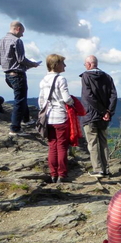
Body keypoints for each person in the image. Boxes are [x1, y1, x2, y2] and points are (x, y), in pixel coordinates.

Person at [0, 21, 41, 135]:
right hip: (18, 74)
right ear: (18, 28)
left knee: (21, 97)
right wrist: (33, 64)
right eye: (22, 32)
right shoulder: (17, 41)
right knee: (19, 101)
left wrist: (8, 65)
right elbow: (21, 59)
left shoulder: (0, 41)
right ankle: (15, 128)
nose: (22, 35)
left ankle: (26, 119)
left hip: (7, 74)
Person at [80, 55, 117, 178]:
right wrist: (108, 112)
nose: (85, 66)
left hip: (90, 115)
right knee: (103, 142)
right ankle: (106, 169)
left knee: (93, 143)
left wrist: (102, 111)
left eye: (85, 63)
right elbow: (113, 96)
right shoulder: (107, 77)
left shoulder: (86, 76)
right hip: (104, 117)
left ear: (90, 64)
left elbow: (89, 97)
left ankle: (98, 169)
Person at [38, 54, 73, 183]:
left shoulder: (43, 80)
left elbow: (41, 101)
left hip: (48, 118)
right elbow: (66, 98)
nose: (65, 66)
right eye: (63, 63)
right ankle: (62, 175)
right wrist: (72, 103)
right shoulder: (61, 79)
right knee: (62, 146)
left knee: (52, 146)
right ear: (56, 64)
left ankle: (53, 174)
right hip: (60, 117)